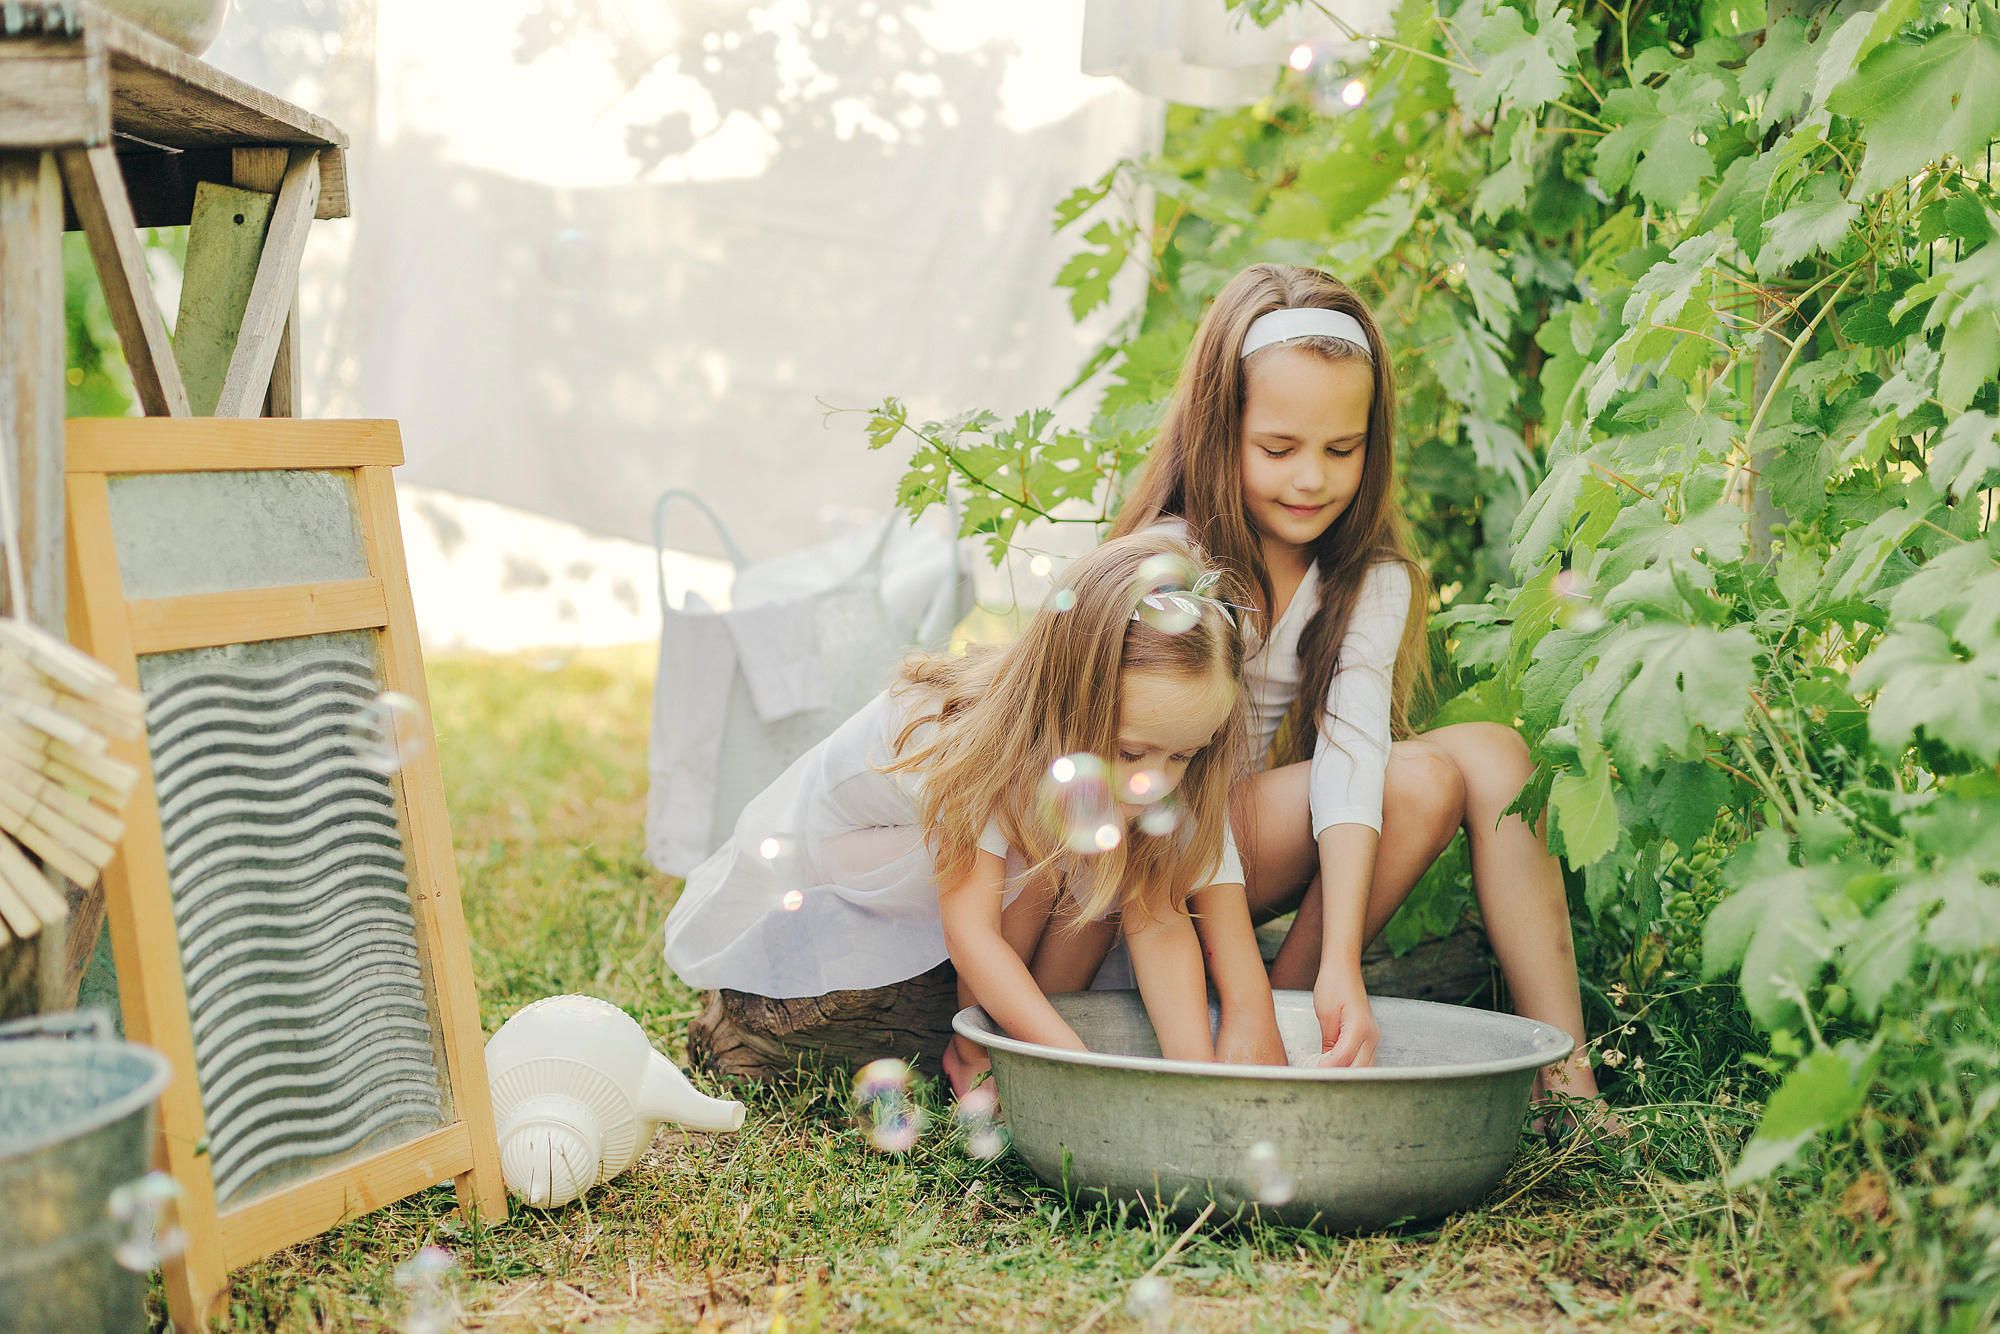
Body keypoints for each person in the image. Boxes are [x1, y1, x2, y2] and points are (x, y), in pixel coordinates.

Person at [1109, 263, 1600, 1103]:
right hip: (1146, 851)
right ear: (1218, 431)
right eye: (1278, 448)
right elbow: (1166, 794)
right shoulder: (1173, 567)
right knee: (1419, 774)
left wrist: (1346, 957)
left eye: (1343, 449)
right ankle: (1264, 1011)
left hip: (1232, 842)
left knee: (1491, 754)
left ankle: (1566, 1076)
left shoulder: (1367, 578)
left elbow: (1350, 753)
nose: (1312, 480)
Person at [664, 532, 1284, 1093]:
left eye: (1182, 755)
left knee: (1111, 857)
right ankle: (976, 1050)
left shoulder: (1129, 769)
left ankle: (1034, 1027)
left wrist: (1199, 1080)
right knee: (1049, 845)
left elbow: (1162, 919)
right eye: (1131, 752)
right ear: (1065, 697)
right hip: (844, 859)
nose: (1155, 781)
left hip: (969, 857)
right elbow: (974, 934)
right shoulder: (965, 743)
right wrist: (1085, 1068)